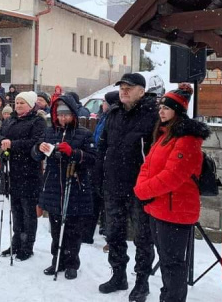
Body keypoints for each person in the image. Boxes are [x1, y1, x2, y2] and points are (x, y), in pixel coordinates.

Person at [134, 85, 210, 302]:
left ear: (177, 110)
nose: (161, 111)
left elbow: (173, 176)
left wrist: (143, 191)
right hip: (158, 207)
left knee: (173, 264)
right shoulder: (164, 135)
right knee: (166, 261)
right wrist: (143, 190)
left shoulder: (187, 139)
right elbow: (147, 166)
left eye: (167, 108)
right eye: (161, 107)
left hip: (176, 211)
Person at [95, 72, 158, 302]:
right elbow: (102, 147)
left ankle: (142, 281)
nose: (124, 91)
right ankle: (118, 275)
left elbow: (157, 153)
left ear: (142, 91)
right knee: (114, 234)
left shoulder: (153, 115)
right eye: (122, 87)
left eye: (129, 87)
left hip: (140, 188)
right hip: (113, 185)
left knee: (143, 237)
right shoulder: (114, 114)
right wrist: (98, 176)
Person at [33, 95, 96, 280]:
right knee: (55, 227)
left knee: (73, 229)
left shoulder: (84, 133)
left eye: (66, 115)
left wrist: (74, 153)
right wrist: (39, 149)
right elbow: (37, 155)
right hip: (53, 185)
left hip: (75, 185)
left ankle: (72, 263)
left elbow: (92, 159)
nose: (62, 119)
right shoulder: (49, 131)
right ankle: (57, 259)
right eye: (59, 115)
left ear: (73, 114)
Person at [0, 91, 46, 261]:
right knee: (15, 209)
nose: (18, 105)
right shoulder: (10, 120)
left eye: (22, 103)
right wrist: (2, 141)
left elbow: (35, 142)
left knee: (28, 211)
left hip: (29, 172)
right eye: (17, 102)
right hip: (12, 171)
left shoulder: (37, 121)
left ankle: (27, 246)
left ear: (30, 105)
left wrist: (12, 144)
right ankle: (16, 243)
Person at [84, 90, 120, 247]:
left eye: (105, 102)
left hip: (106, 165)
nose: (102, 104)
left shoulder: (112, 118)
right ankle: (89, 233)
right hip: (98, 162)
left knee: (103, 201)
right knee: (95, 199)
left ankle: (107, 233)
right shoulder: (103, 117)